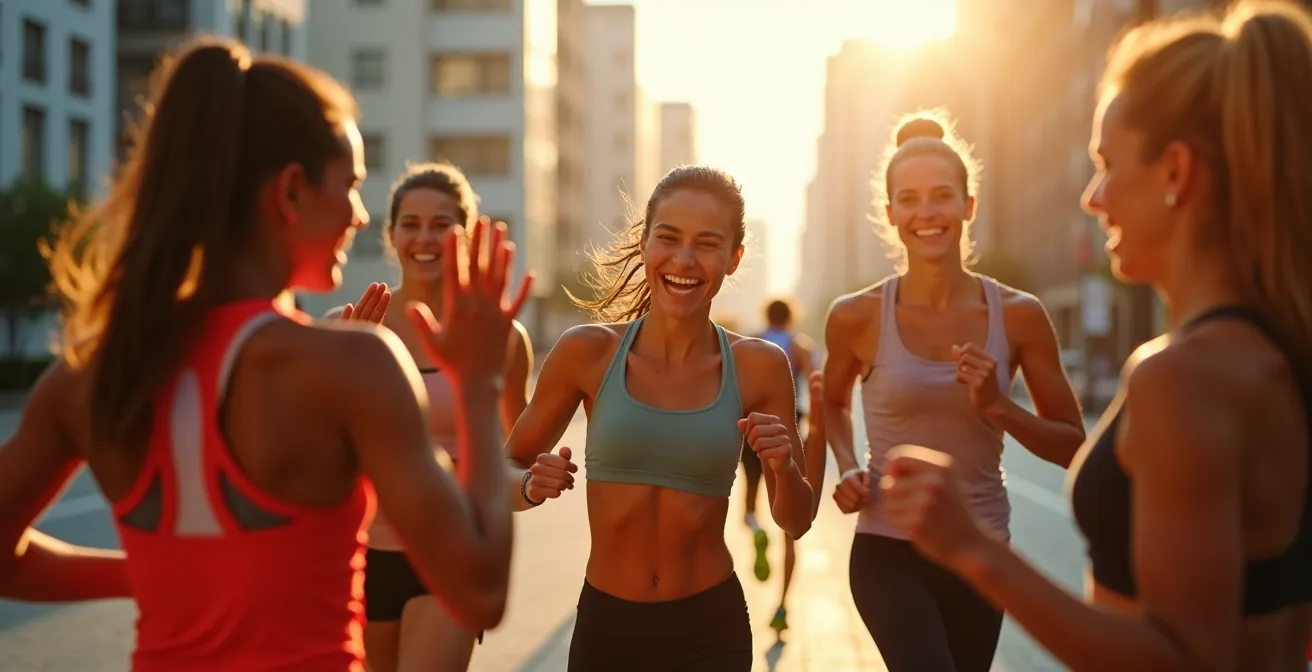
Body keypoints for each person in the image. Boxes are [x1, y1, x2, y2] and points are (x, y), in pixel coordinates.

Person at [0, 37, 528, 671]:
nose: (361, 216)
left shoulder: (90, 373)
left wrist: (162, 574)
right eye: (351, 185)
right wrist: (477, 382)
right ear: (291, 193)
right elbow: (480, 592)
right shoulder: (351, 365)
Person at [881, 2, 1312, 670]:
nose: (1092, 196)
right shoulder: (1275, 349)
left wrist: (971, 546)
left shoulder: (1182, 376)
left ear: (1175, 173)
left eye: (1107, 163)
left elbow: (1184, 657)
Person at [504, 166, 823, 671]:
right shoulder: (586, 352)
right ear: (644, 243)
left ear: (734, 258)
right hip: (607, 630)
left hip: (710, 631)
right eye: (668, 238)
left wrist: (783, 467)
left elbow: (797, 520)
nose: (684, 259)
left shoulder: (758, 365)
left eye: (708, 243)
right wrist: (525, 485)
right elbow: (500, 475)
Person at [821, 109, 1086, 672]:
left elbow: (1071, 445)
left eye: (942, 196)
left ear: (968, 207)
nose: (927, 213)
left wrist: (998, 406)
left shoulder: (1019, 316)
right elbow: (833, 400)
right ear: (890, 214)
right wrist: (848, 463)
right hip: (888, 548)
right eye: (910, 199)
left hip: (982, 552)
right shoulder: (856, 316)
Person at [326, 163, 533, 672]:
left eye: (442, 223)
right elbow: (315, 465)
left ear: (466, 232)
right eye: (411, 223)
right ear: (391, 234)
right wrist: (346, 371)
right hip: (355, 559)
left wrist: (530, 482)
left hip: (447, 554)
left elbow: (508, 464)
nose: (425, 237)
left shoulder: (499, 339)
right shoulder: (345, 327)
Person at [740, 298, 817, 635]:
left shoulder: (752, 342)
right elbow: (817, 386)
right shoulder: (799, 347)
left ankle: (757, 531)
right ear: (791, 317)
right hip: (788, 435)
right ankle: (783, 605)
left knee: (748, 506)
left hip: (752, 430)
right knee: (791, 529)